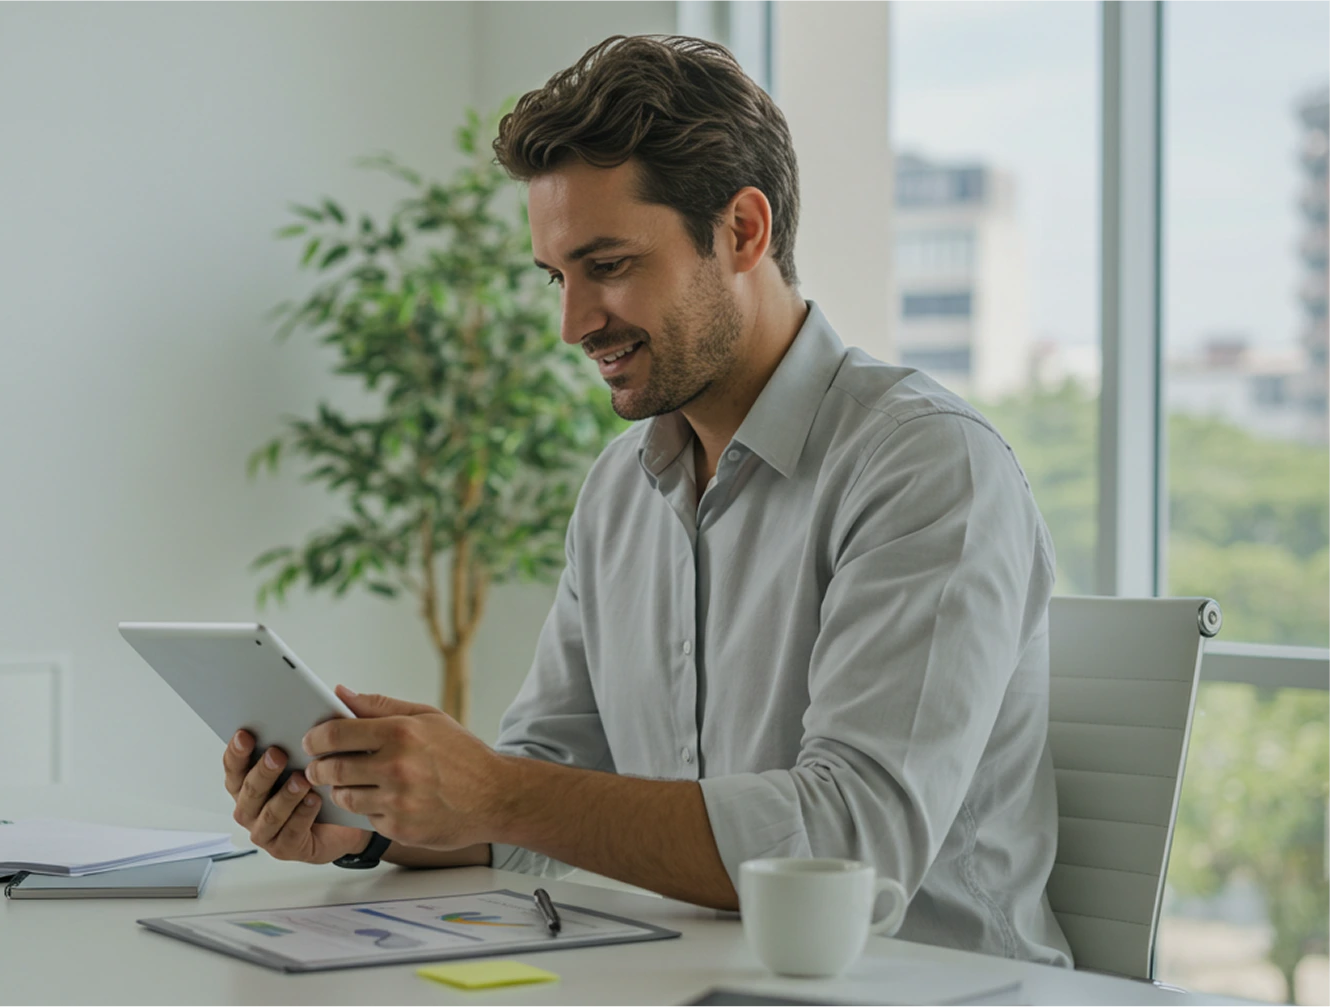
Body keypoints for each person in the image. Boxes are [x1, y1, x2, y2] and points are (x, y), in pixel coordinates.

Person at [222, 34, 1072, 966]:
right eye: (558, 276)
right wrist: (371, 825)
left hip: (928, 986)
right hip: (685, 976)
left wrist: (496, 787)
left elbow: (852, 842)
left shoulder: (924, 466)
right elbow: (548, 798)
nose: (572, 323)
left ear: (742, 231)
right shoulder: (621, 490)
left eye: (609, 265)